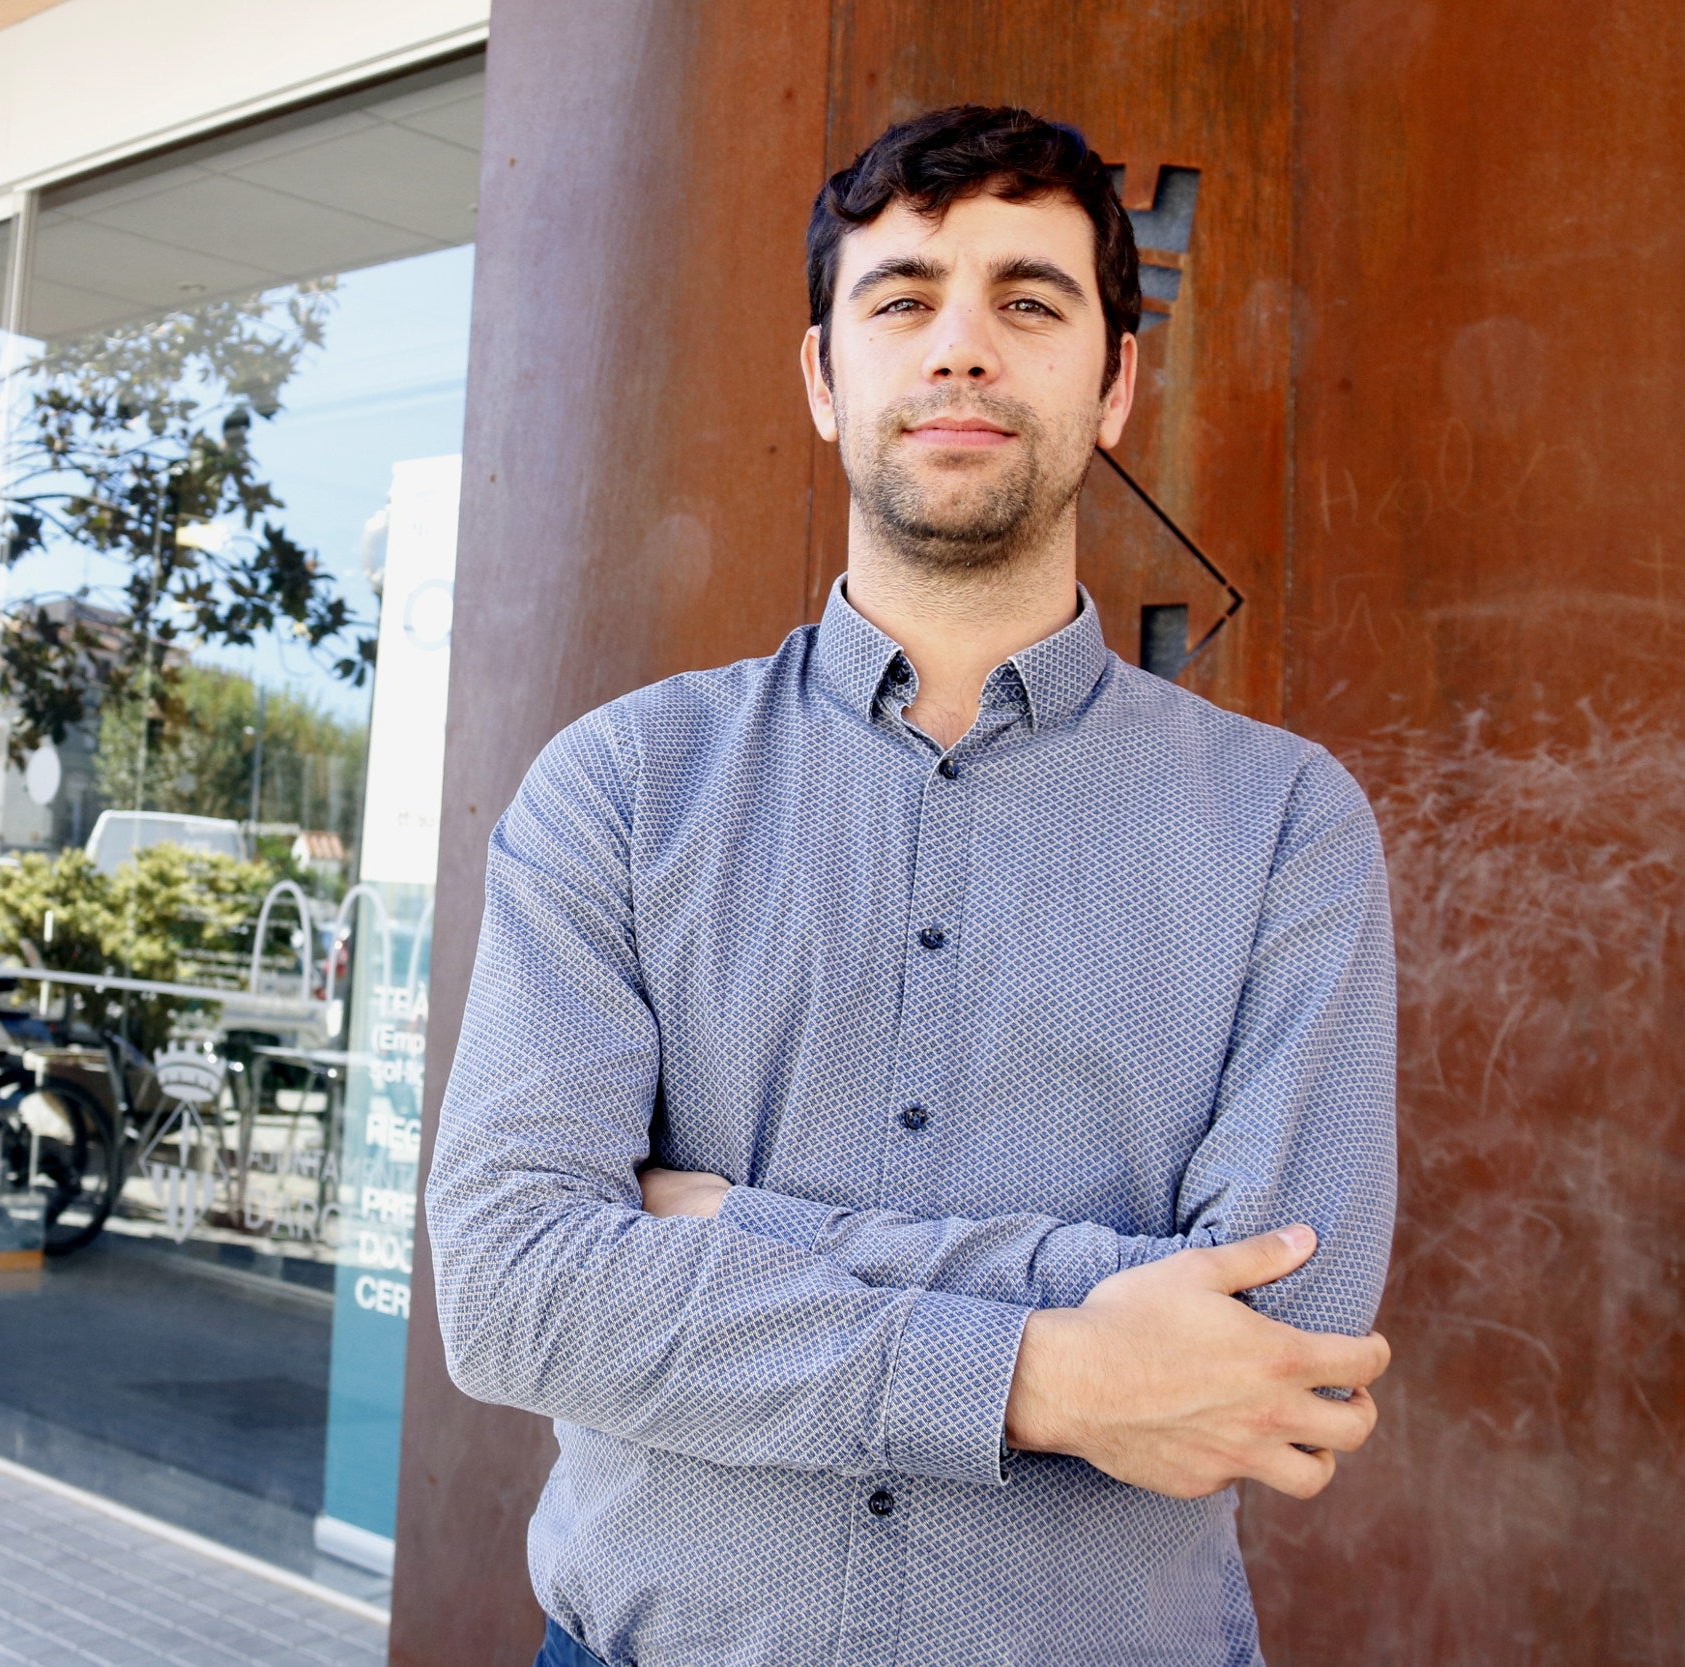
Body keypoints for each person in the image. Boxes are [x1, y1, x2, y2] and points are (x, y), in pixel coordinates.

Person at [424, 105, 1397, 1667]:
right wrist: (1044, 1370)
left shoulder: (1286, 823)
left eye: (1028, 301)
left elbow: (1281, 1337)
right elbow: (516, 1290)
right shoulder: (620, 786)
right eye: (902, 299)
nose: (961, 348)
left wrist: (733, 1226)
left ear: (1116, 381)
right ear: (825, 378)